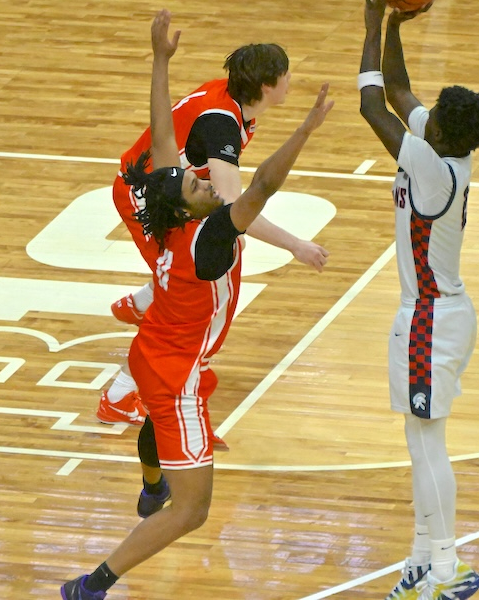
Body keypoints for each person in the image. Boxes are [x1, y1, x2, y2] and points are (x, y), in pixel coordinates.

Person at [61, 9, 333, 600]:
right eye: (197, 184)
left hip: (157, 352)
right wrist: (307, 129)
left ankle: (152, 480)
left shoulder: (169, 215)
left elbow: (163, 137)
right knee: (193, 513)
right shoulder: (210, 242)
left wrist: (160, 59)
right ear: (190, 208)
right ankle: (91, 585)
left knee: (161, 435)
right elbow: (259, 189)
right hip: (175, 370)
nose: (205, 179)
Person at [96, 28, 330, 426]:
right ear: (266, 85)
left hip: (173, 185)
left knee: (196, 269)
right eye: (286, 75)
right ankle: (119, 395)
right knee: (183, 300)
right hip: (148, 194)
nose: (291, 81)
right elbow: (232, 209)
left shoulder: (232, 95)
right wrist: (295, 245)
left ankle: (142, 300)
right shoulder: (222, 124)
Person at [359, 0, 479, 600]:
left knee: (427, 444)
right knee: (418, 443)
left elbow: (373, 107)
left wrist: (367, 25)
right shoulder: (444, 147)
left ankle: (448, 568)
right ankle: (420, 563)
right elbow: (400, 89)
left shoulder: (434, 170)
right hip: (436, 314)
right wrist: (396, 24)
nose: (423, 110)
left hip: (431, 319)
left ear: (439, 132)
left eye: (432, 112)